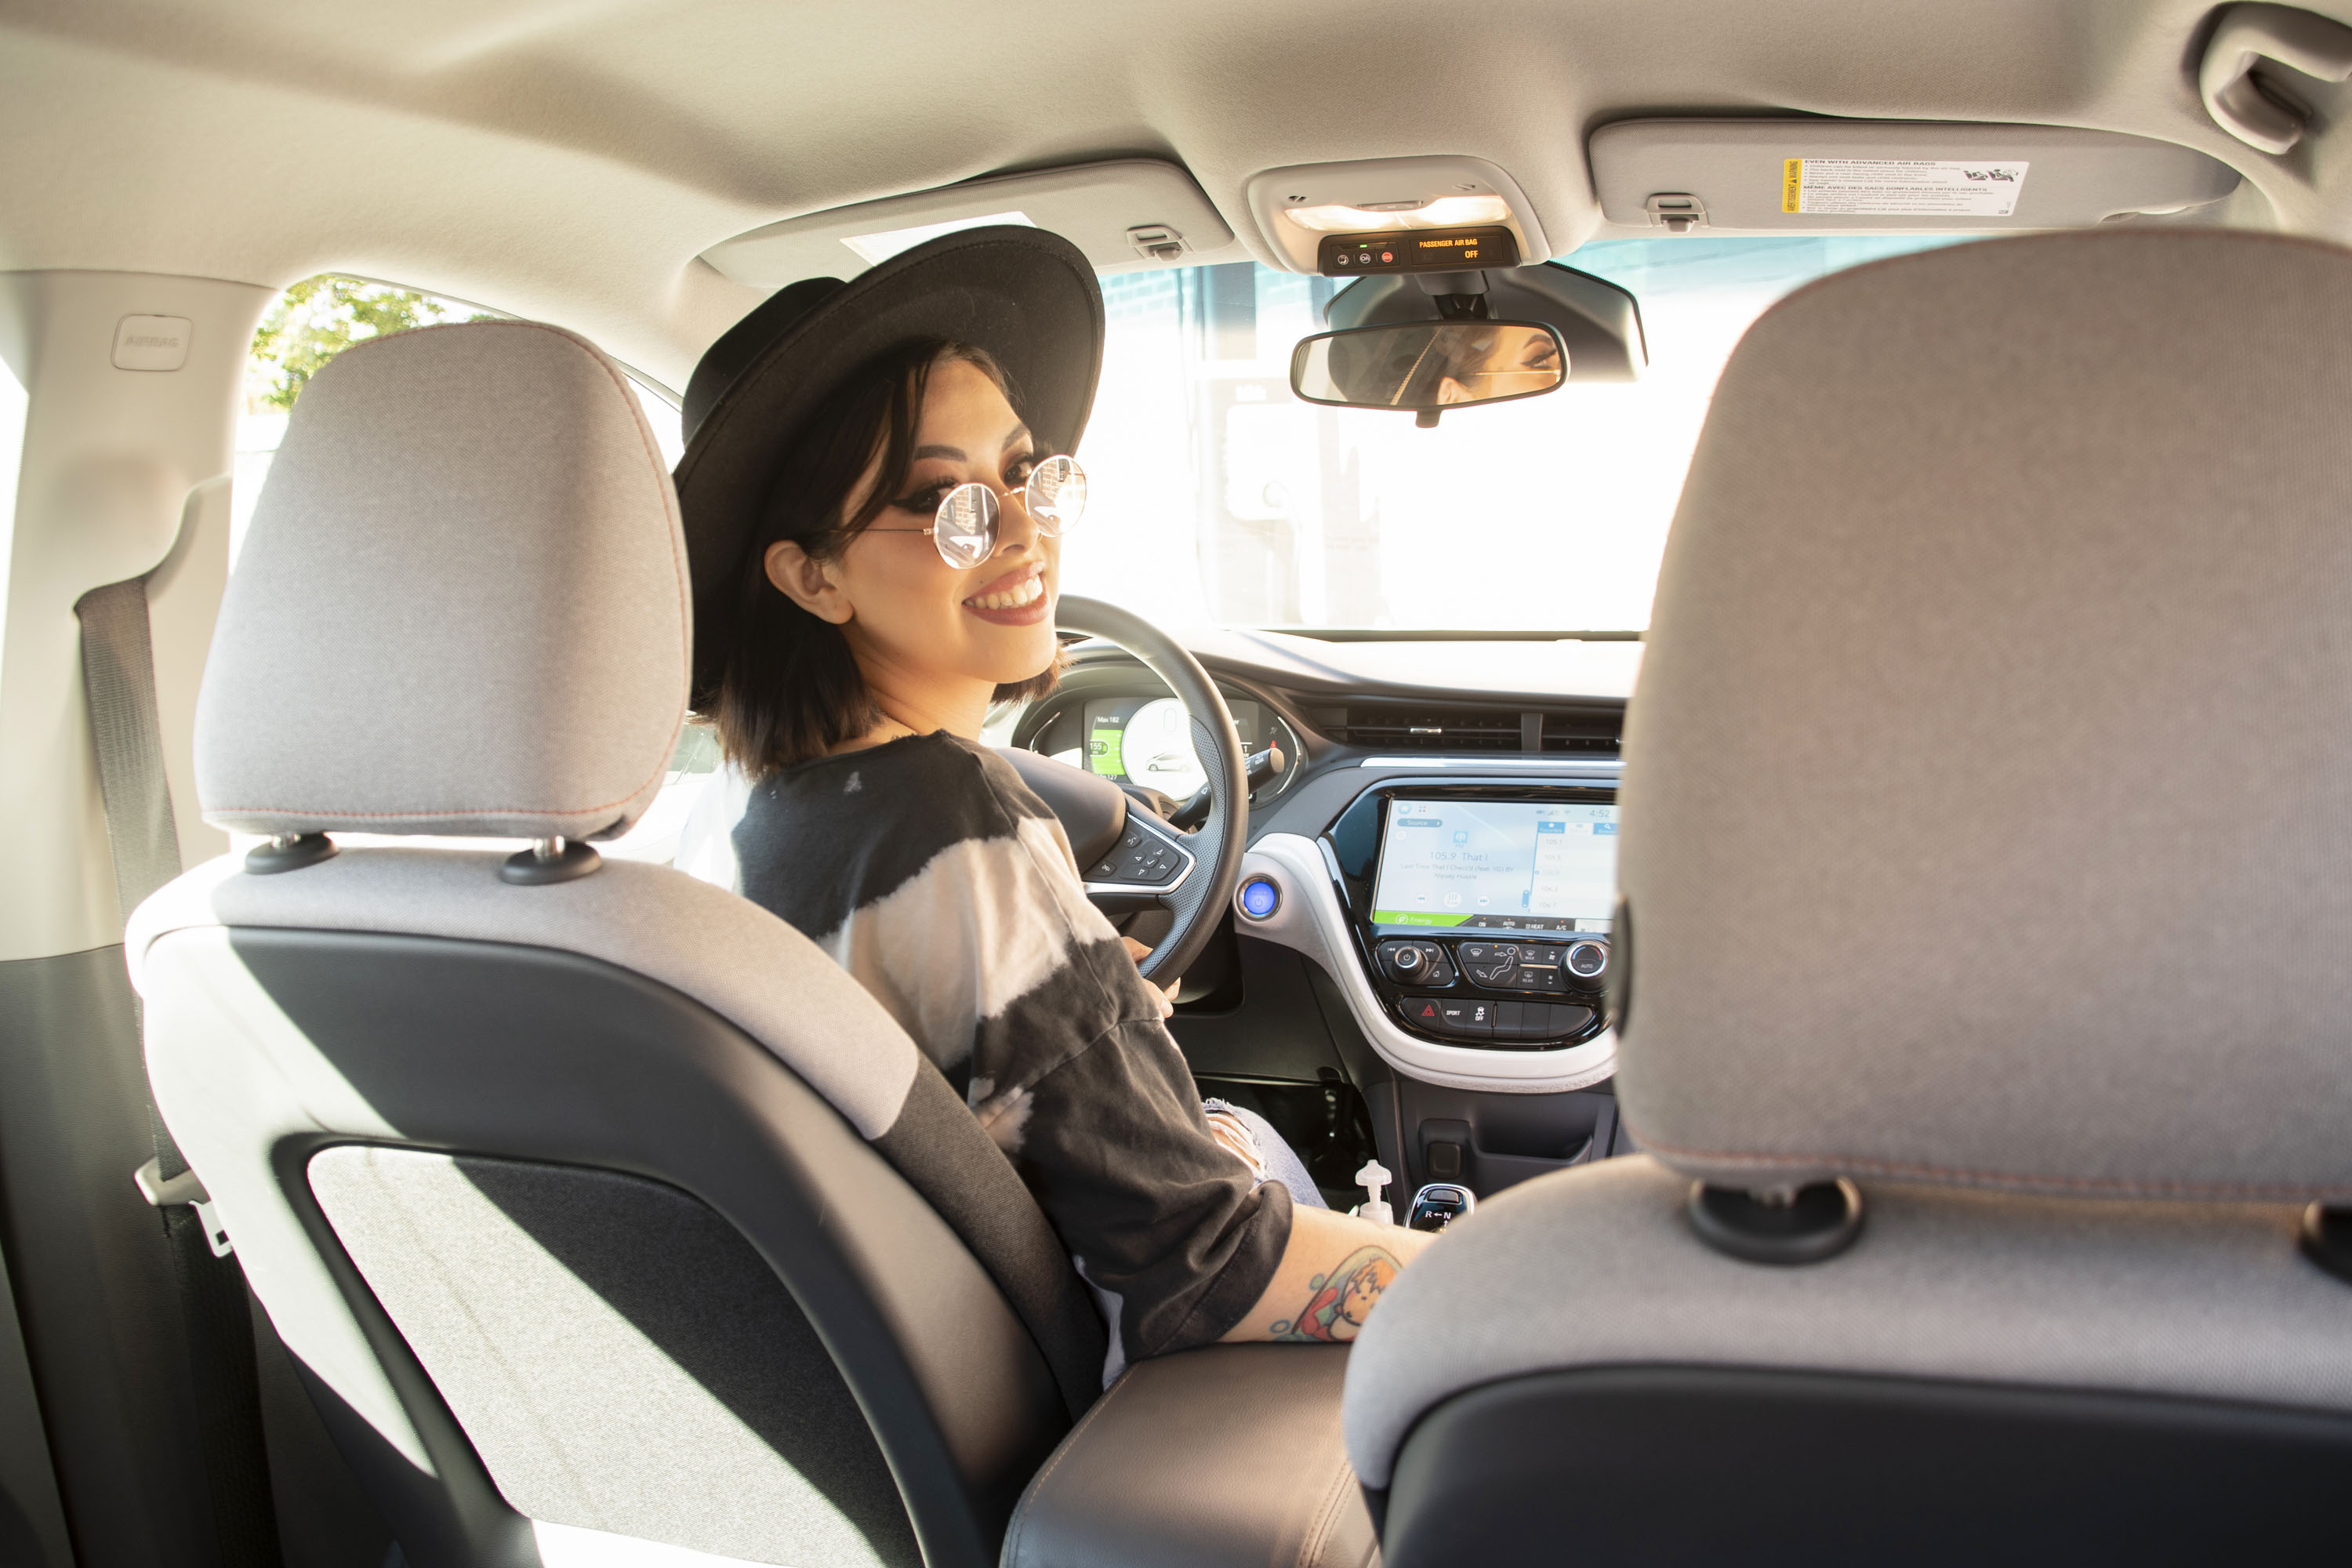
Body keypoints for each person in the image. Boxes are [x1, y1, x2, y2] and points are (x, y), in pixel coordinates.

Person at [670, 227, 1429, 1377]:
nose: (1026, 528)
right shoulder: (950, 820)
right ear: (810, 574)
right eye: (943, 503)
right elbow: (1207, 1268)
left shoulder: (753, 816)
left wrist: (1089, 1003)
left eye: (1025, 475)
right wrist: (1494, 1275)